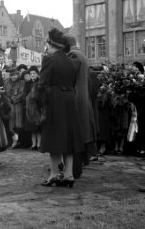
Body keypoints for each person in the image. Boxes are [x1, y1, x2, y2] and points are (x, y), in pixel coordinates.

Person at [37, 28, 83, 187]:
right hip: (69, 100)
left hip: (54, 101)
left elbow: (41, 84)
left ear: (50, 44)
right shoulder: (70, 60)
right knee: (68, 139)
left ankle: (55, 173)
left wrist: (36, 102)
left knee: (53, 138)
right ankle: (69, 175)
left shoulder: (49, 59)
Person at [64, 33, 96, 178]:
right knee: (82, 131)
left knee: (74, 132)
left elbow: (68, 77)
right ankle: (81, 162)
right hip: (83, 97)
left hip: (75, 98)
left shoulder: (72, 55)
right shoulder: (82, 55)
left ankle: (74, 167)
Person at [4, 67, 25, 148]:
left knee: (17, 125)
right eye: (11, 75)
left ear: (18, 75)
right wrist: (7, 100)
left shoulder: (22, 83)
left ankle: (16, 141)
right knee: (10, 125)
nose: (13, 77)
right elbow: (4, 93)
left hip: (17, 106)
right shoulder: (6, 82)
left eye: (15, 75)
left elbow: (21, 94)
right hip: (8, 106)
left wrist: (13, 100)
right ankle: (13, 141)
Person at [24, 66, 42, 150]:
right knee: (32, 128)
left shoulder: (40, 83)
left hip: (38, 107)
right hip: (29, 108)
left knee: (38, 127)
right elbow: (25, 94)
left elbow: (42, 95)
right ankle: (33, 144)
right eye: (31, 73)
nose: (32, 75)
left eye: (34, 73)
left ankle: (39, 144)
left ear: (37, 74)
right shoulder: (27, 83)